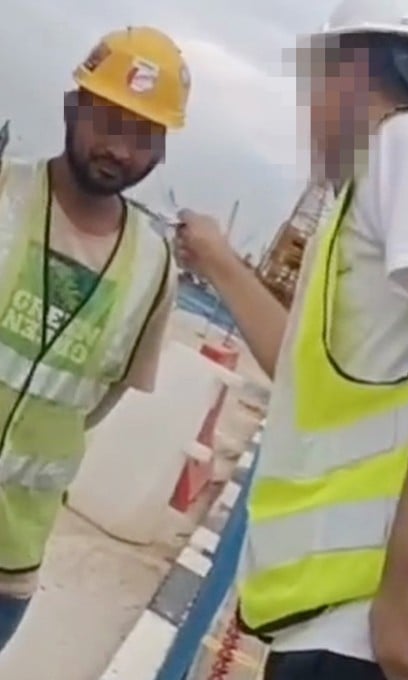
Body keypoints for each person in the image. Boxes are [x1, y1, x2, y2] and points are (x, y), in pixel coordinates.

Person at [173, 0, 408, 678]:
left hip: (367, 619)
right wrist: (221, 264)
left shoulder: (406, 147)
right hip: (318, 612)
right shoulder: (364, 193)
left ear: (353, 70)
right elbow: (302, 369)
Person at [0, 26, 184, 652]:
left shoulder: (154, 270)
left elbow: (99, 401)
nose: (118, 149)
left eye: (142, 135)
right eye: (107, 121)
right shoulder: (5, 192)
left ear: (160, 151)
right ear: (71, 108)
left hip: (9, 562)